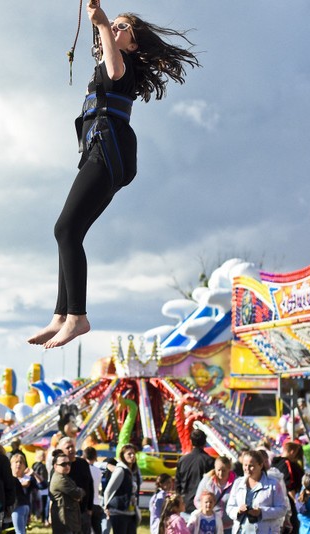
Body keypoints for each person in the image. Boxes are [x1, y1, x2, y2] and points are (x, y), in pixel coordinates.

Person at [28, 0, 200, 349]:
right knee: (69, 231)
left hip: (110, 150)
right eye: (116, 26)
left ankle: (77, 316)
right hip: (103, 150)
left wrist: (105, 23)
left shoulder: (124, 66)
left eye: (124, 28)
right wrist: (98, 17)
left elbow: (114, 62)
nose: (116, 30)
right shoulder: (110, 61)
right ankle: (62, 314)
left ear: (133, 45)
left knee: (65, 228)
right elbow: (104, 48)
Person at [226, 449, 287, 534]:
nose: (247, 469)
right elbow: (229, 508)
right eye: (245, 465)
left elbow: (282, 509)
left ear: (260, 465)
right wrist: (238, 510)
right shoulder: (238, 483)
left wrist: (261, 512)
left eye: (251, 465)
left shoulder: (273, 484)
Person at [56, 437, 94, 534]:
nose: (71, 449)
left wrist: (89, 508)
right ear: (61, 451)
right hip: (68, 514)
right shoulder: (59, 467)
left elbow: (90, 485)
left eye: (72, 446)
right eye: (68, 447)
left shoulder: (83, 463)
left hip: (83, 512)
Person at [103, 444, 142, 534]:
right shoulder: (120, 470)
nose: (132, 456)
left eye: (133, 454)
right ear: (122, 456)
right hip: (119, 512)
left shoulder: (133, 471)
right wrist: (106, 507)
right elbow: (108, 490)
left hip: (131, 512)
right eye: (129, 454)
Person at [176, 429, 215, 514]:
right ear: (205, 442)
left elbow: (177, 484)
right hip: (203, 505)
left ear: (191, 441)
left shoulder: (182, 460)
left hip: (185, 504)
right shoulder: (210, 461)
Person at [194, 455, 236, 533]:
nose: (220, 473)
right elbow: (197, 500)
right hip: (210, 525)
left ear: (229, 469)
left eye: (224, 470)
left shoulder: (236, 482)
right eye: (218, 470)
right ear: (214, 468)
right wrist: (206, 511)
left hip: (230, 526)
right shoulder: (207, 481)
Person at [272, 441, 305, 533]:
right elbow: (289, 485)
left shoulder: (275, 463)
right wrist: (296, 501)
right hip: (289, 502)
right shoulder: (287, 464)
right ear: (292, 452)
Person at [49, 450, 84, 534]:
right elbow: (77, 493)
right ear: (55, 466)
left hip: (70, 518)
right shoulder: (60, 479)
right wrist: (79, 493)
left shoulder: (65, 477)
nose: (67, 466)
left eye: (69, 463)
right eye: (63, 464)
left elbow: (78, 492)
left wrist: (79, 492)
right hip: (64, 519)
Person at [10, 453, 35, 534]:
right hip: (21, 507)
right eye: (16, 462)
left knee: (20, 532)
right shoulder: (12, 478)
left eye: (21, 462)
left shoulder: (27, 478)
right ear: (11, 465)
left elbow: (42, 485)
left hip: (18, 506)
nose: (18, 464)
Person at [33, 448, 51, 527]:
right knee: (44, 506)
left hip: (35, 488)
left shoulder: (34, 465)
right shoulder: (42, 466)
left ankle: (38, 517)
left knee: (38, 504)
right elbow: (43, 478)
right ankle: (44, 520)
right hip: (43, 488)